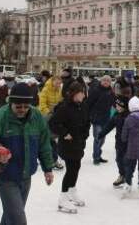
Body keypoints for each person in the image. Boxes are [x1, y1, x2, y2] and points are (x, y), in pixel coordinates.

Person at [0, 82, 54, 225]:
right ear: (11, 102)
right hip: (5, 176)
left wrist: (48, 168)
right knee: (18, 218)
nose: (22, 110)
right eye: (18, 106)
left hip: (26, 175)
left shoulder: (36, 117)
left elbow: (44, 144)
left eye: (26, 106)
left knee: (11, 214)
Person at [49, 82, 90, 214]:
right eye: (82, 92)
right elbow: (53, 123)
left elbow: (87, 121)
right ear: (74, 94)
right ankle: (63, 198)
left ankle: (72, 191)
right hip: (67, 145)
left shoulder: (82, 105)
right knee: (71, 169)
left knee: (76, 167)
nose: (84, 94)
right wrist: (65, 133)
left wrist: (85, 133)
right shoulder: (65, 107)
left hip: (79, 143)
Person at [98, 96, 130, 187]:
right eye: (116, 105)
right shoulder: (116, 115)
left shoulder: (129, 116)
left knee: (127, 161)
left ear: (124, 106)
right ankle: (122, 175)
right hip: (119, 143)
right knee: (119, 159)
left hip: (128, 144)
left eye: (119, 105)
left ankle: (128, 179)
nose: (117, 107)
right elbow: (109, 125)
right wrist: (102, 133)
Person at [87, 75, 116, 165]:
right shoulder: (96, 90)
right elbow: (88, 103)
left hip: (106, 118)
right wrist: (89, 116)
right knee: (98, 138)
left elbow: (114, 103)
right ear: (101, 81)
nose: (106, 82)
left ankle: (98, 155)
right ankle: (96, 157)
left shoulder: (111, 92)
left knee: (102, 139)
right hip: (96, 118)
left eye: (108, 81)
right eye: (104, 80)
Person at [39, 74, 64, 170]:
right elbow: (42, 104)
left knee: (52, 140)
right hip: (46, 117)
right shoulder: (45, 90)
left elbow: (60, 101)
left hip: (55, 117)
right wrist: (48, 113)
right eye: (57, 83)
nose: (58, 85)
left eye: (60, 83)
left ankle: (52, 159)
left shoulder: (59, 90)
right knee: (49, 140)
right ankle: (51, 160)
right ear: (52, 81)